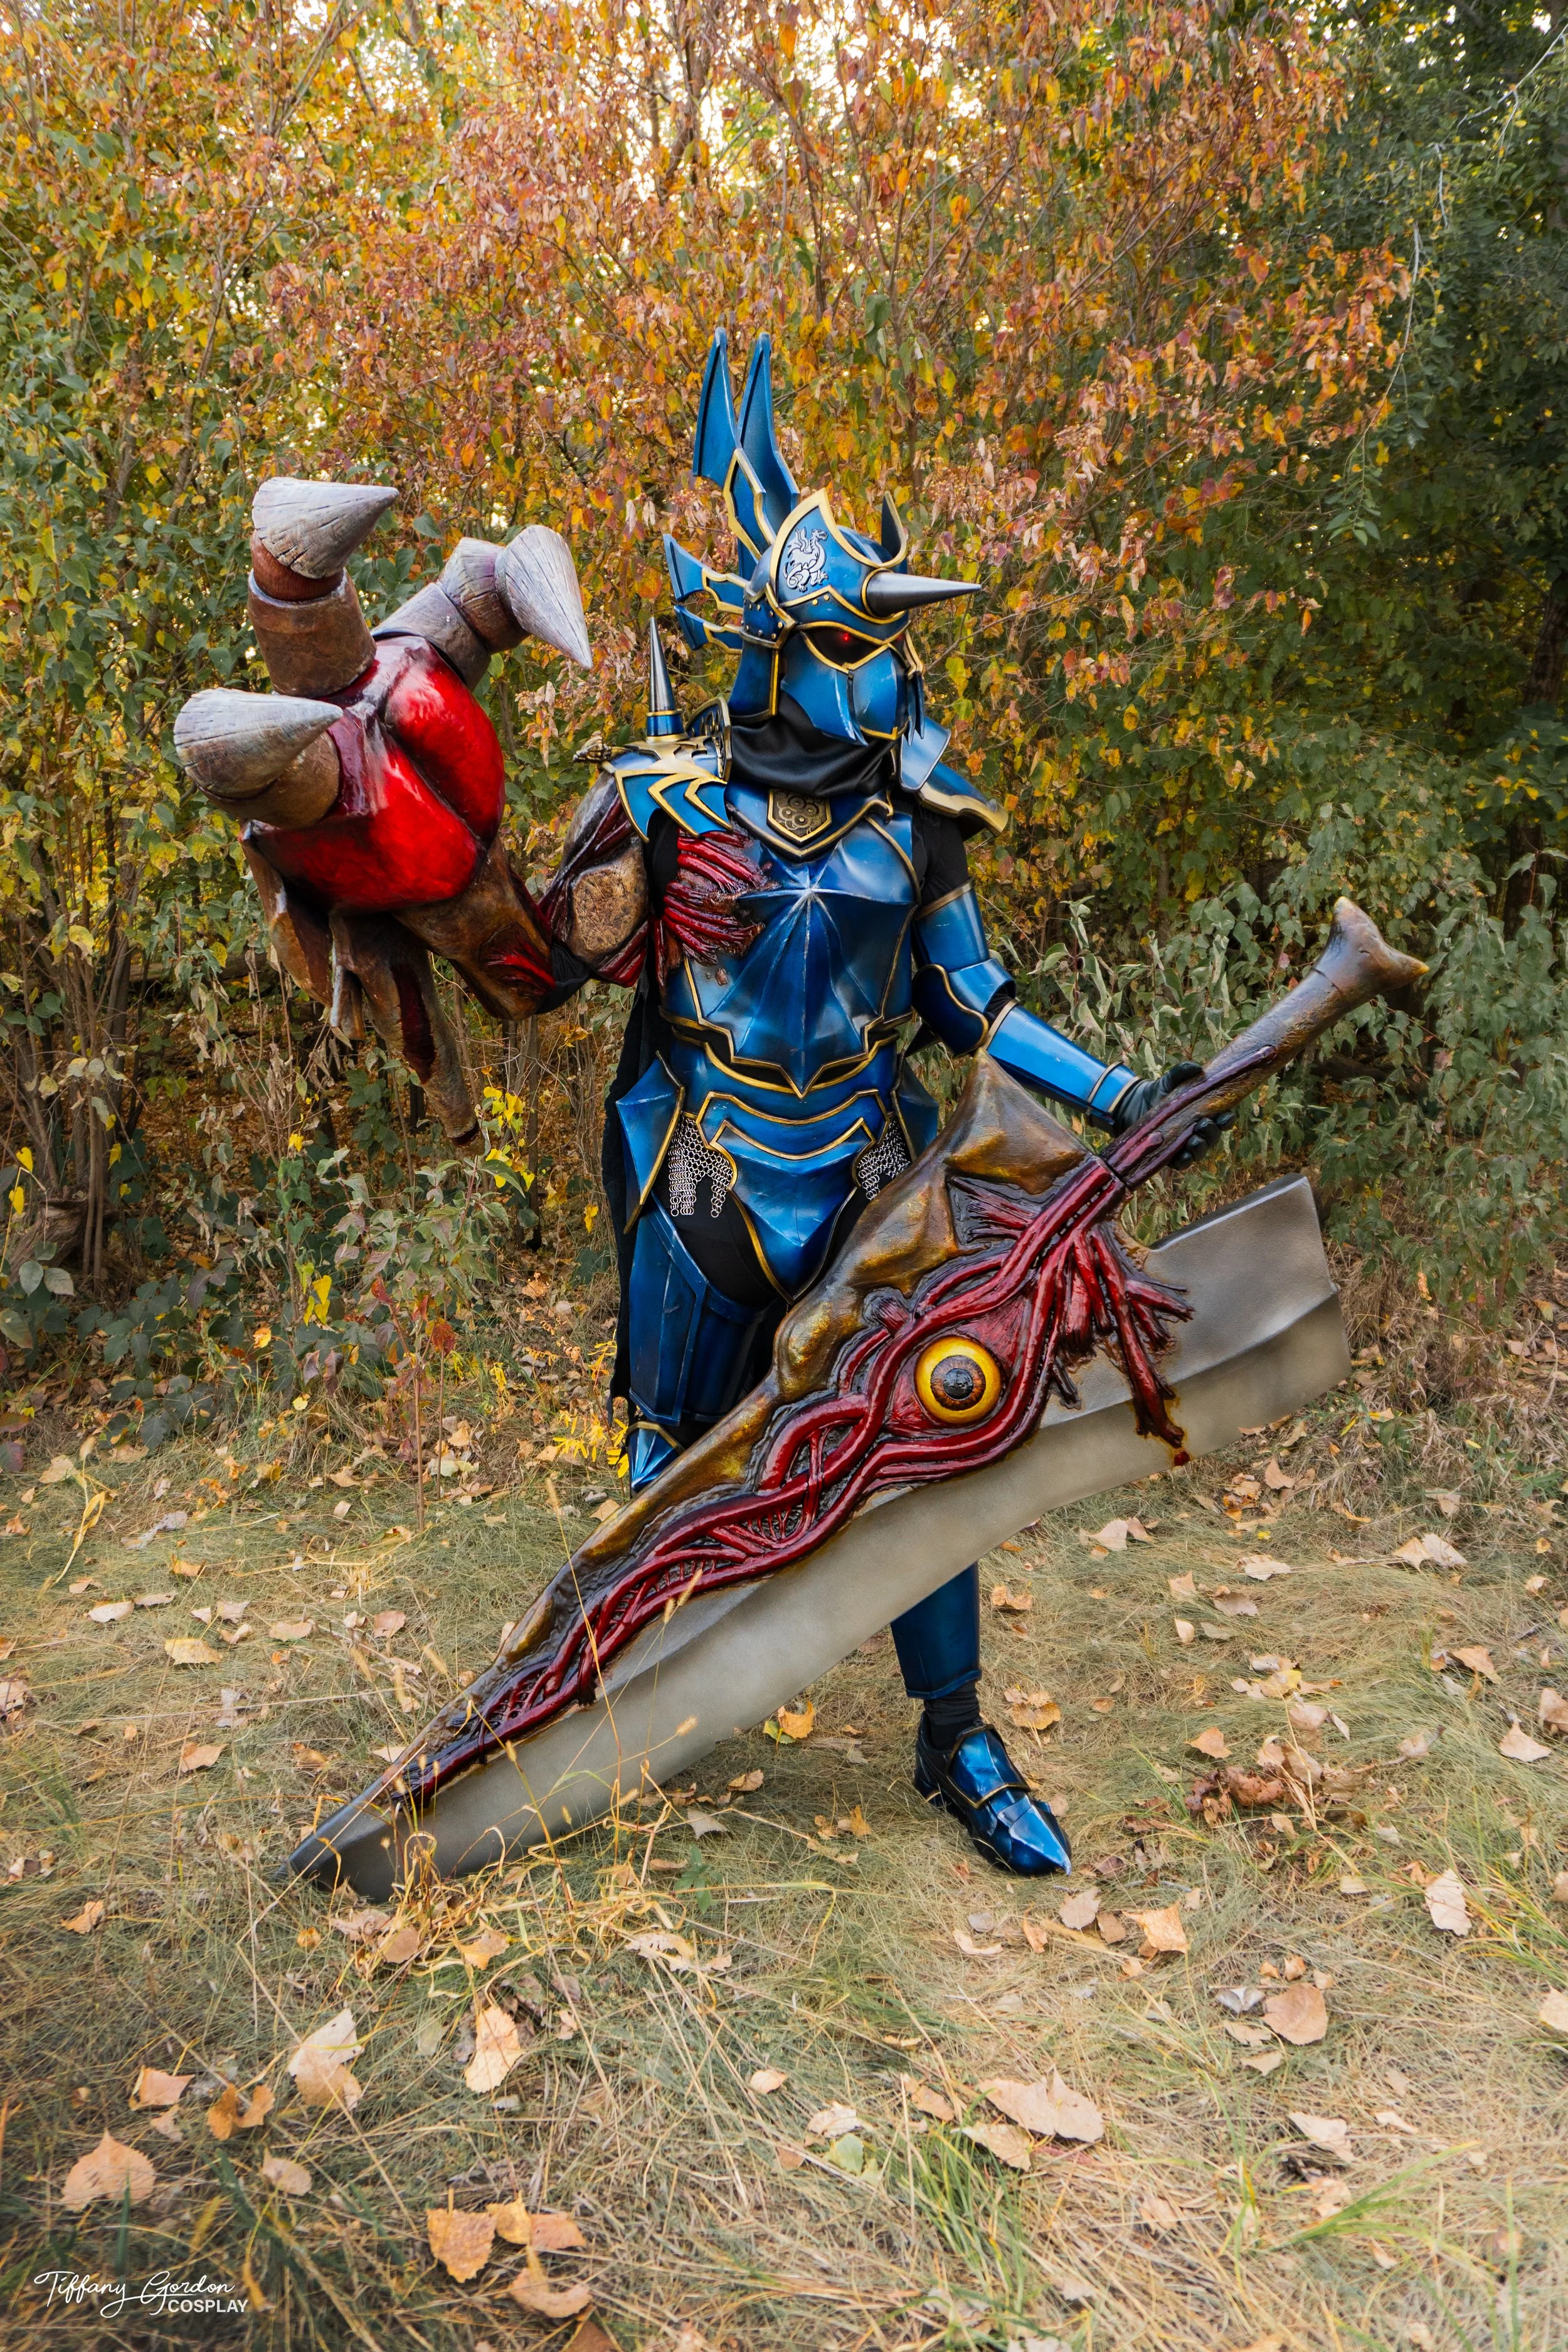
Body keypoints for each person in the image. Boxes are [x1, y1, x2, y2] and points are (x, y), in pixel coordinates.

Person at [174, 330, 1226, 1874]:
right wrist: (400, 855)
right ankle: (612, 1722)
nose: (893, 675)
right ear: (778, 643)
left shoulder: (911, 820)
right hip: (703, 1175)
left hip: (871, 1168)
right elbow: (533, 972)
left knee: (924, 1443)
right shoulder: (665, 806)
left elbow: (974, 1006)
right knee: (672, 1462)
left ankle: (955, 1739)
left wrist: (1130, 1090)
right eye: (862, 642)